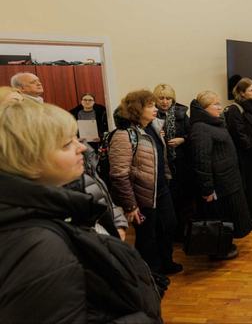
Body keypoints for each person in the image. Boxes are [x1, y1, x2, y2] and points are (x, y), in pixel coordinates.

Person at [0, 101, 161, 322]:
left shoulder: (47, 214)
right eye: (67, 144)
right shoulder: (38, 246)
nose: (82, 148)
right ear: (28, 160)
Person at [109, 90, 182, 276]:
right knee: (147, 236)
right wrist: (130, 205)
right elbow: (119, 174)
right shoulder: (123, 134)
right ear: (137, 109)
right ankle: (151, 273)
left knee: (168, 226)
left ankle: (166, 262)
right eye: (150, 105)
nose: (155, 108)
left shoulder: (154, 127)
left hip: (161, 189)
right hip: (141, 196)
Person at [189, 91, 252, 258]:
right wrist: (207, 189)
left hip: (228, 181)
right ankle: (218, 250)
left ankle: (225, 245)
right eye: (215, 104)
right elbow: (201, 162)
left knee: (229, 216)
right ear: (204, 108)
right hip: (218, 185)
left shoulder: (213, 123)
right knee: (219, 218)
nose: (219, 107)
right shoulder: (200, 128)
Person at [225, 78, 252, 231]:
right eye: (251, 90)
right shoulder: (234, 109)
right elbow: (239, 135)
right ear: (242, 93)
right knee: (249, 188)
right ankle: (248, 218)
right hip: (246, 155)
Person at [153, 84, 191, 240]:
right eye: (161, 98)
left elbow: (192, 134)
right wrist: (157, 134)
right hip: (161, 165)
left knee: (182, 199)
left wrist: (182, 139)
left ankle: (182, 232)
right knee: (167, 201)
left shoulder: (181, 114)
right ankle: (169, 233)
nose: (165, 102)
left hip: (180, 163)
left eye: (168, 98)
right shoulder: (151, 115)